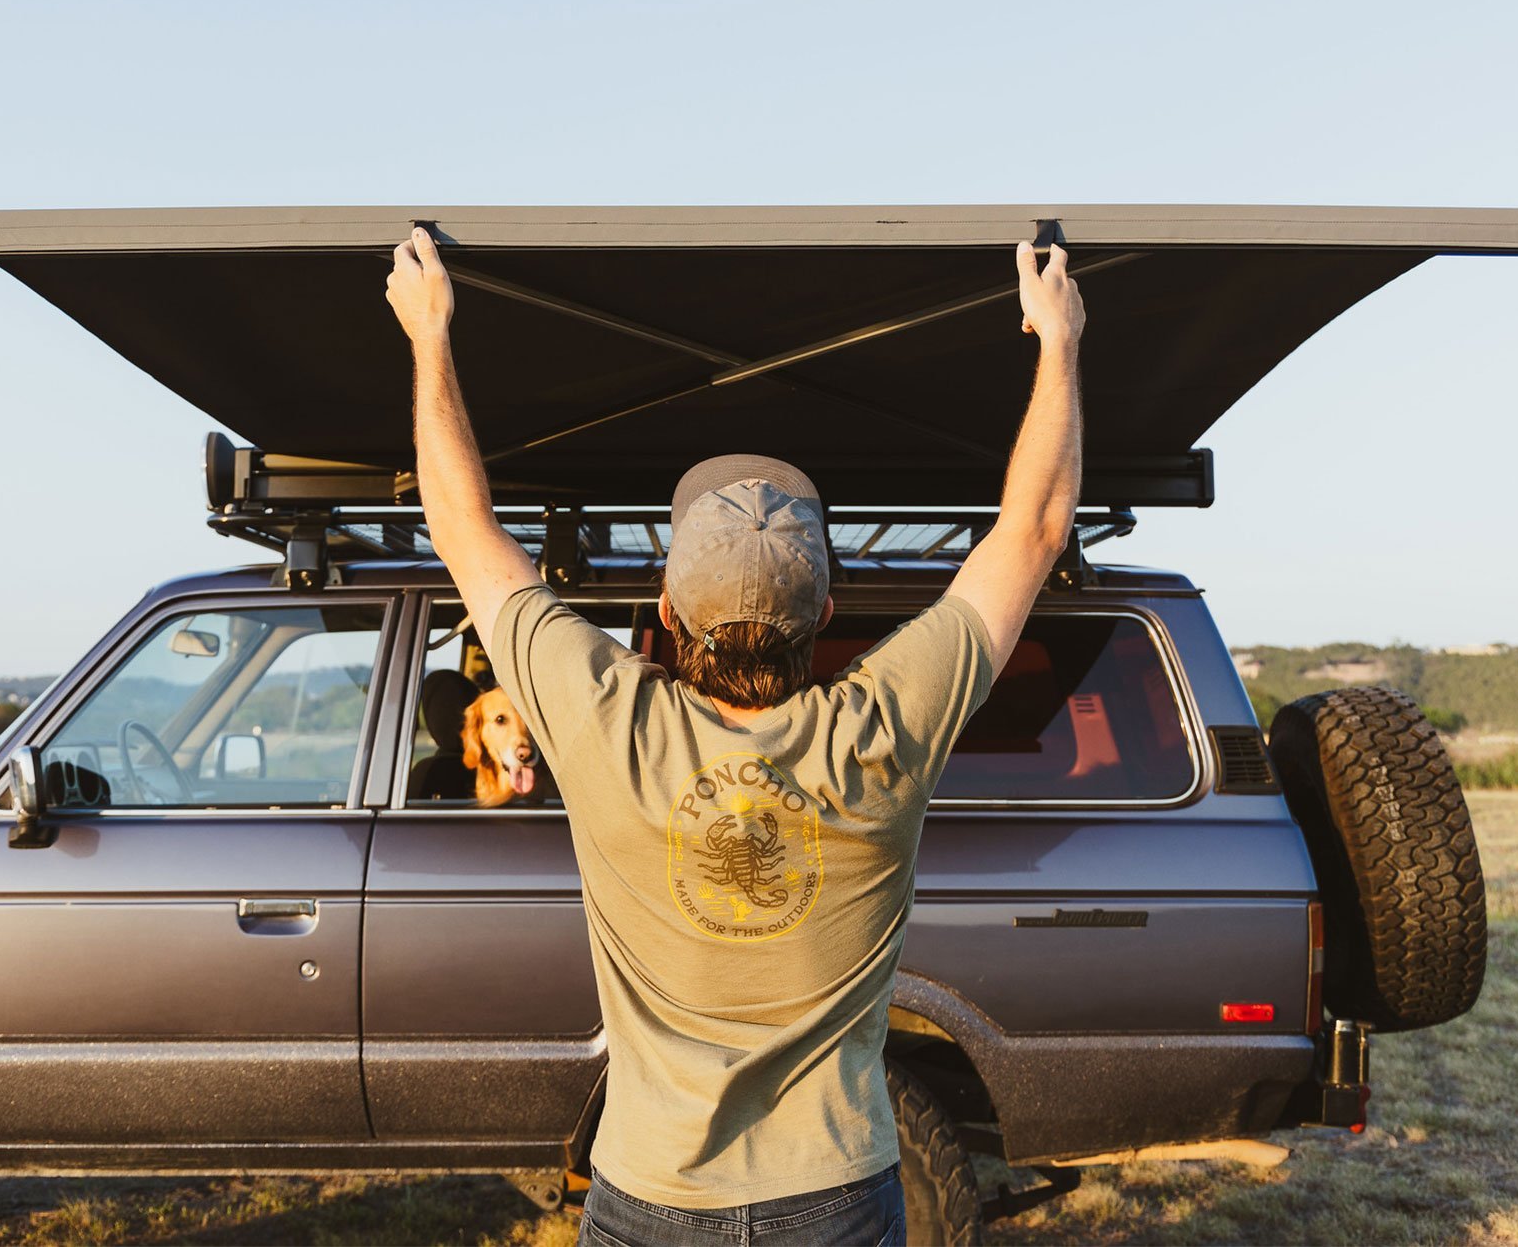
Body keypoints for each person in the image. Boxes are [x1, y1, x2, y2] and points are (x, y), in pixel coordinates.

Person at [387, 227, 1085, 1246]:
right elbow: (1031, 531)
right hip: (838, 1192)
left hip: (652, 1192)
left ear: (666, 611)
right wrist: (1059, 341)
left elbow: (462, 527)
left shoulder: (606, 720)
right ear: (828, 610)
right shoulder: (881, 728)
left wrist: (431, 333)